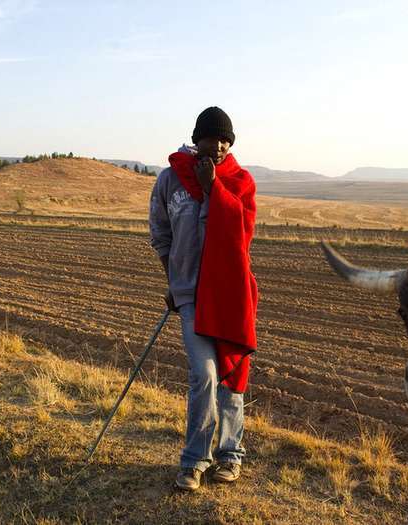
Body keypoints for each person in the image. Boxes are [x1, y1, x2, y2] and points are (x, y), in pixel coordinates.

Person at [149, 106, 259, 491]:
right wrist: (173, 282)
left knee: (230, 373)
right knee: (205, 374)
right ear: (196, 140)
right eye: (210, 139)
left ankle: (230, 455)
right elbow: (161, 234)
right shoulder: (169, 180)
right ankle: (195, 460)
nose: (217, 146)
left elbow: (242, 235)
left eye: (224, 141)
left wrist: (215, 189)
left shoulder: (240, 182)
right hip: (191, 295)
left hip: (230, 294)